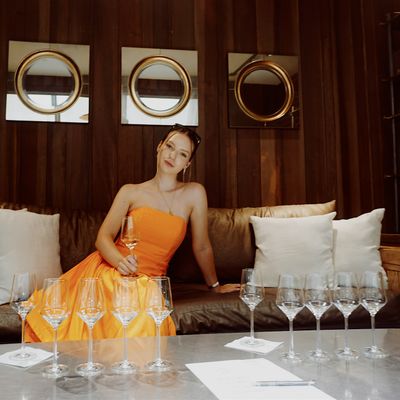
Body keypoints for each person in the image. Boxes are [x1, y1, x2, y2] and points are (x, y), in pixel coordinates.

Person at [25, 123, 239, 342]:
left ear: (188, 163)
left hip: (149, 281)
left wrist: (215, 287)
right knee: (117, 314)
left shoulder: (194, 193)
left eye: (182, 154)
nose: (173, 156)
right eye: (170, 147)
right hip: (111, 269)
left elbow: (201, 246)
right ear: (159, 147)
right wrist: (120, 262)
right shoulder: (130, 192)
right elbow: (103, 238)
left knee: (141, 317)